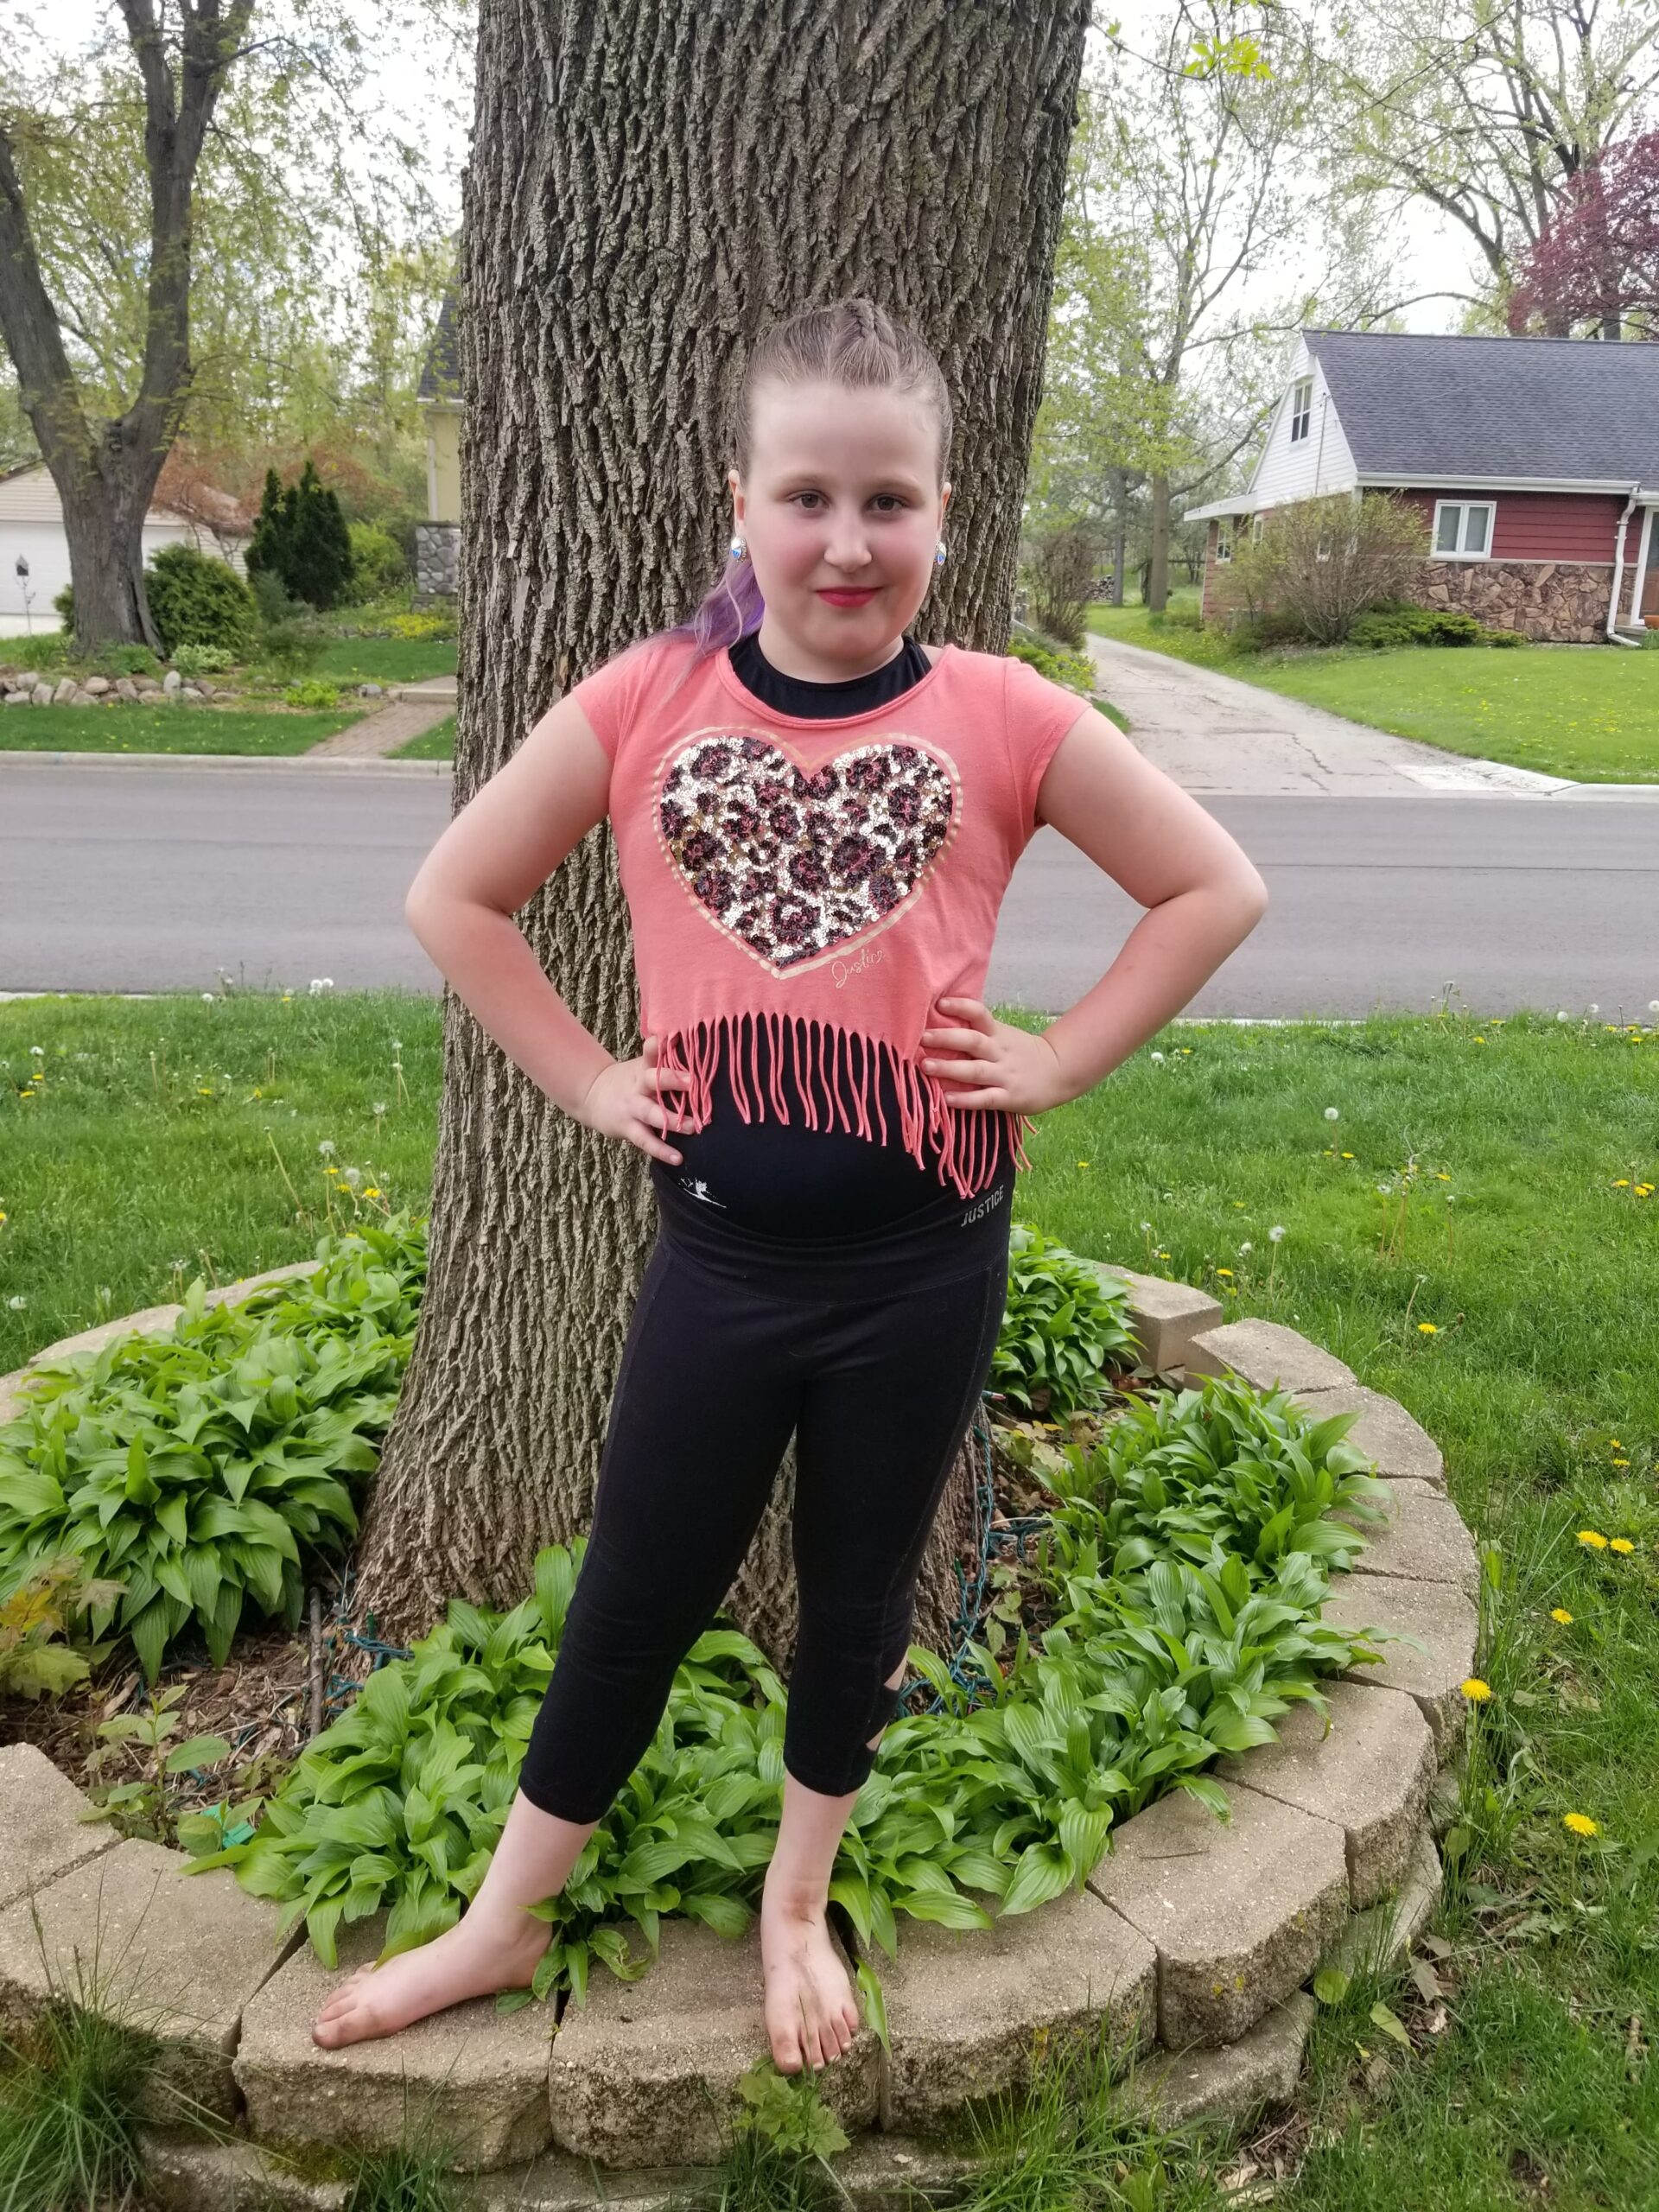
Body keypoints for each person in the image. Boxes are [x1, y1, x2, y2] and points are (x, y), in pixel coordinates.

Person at [311, 296, 1268, 2067]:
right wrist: (590, 1076)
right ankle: (503, 1922)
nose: (846, 540)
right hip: (722, 1269)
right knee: (634, 1592)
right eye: (807, 495)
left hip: (926, 1267)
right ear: (739, 503)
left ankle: (795, 1900)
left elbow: (1216, 886)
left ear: (944, 515)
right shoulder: (646, 701)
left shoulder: (1006, 715)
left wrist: (1062, 1058)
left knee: (857, 1597)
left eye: (888, 501)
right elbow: (457, 895)